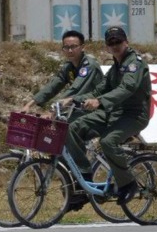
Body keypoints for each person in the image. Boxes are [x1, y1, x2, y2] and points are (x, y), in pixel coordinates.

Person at [63, 26, 152, 206]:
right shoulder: (115, 67)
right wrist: (73, 99)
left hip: (134, 115)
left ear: (126, 42)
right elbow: (99, 90)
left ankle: (128, 184)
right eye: (111, 43)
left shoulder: (135, 62)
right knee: (72, 128)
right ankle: (84, 179)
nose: (115, 46)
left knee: (108, 141)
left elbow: (127, 88)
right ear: (106, 46)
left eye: (118, 42)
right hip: (113, 113)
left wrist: (100, 102)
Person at [21, 30, 103, 121]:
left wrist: (53, 111)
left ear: (82, 47)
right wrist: (29, 105)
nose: (70, 50)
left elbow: (75, 90)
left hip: (97, 108)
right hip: (79, 106)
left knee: (61, 124)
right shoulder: (69, 66)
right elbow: (52, 86)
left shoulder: (89, 66)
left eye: (74, 47)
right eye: (66, 47)